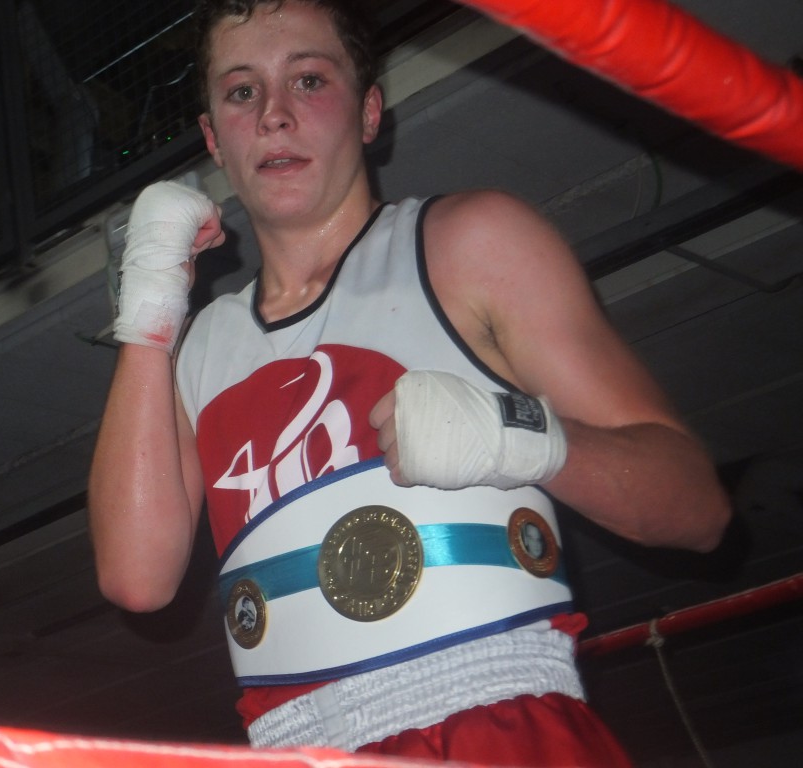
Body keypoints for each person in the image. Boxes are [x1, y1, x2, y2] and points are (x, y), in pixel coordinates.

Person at [88, 0, 732, 764]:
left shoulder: (471, 244)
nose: (274, 117)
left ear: (368, 114)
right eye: (241, 92)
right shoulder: (196, 353)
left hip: (495, 727)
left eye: (309, 79)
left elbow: (699, 510)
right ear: (213, 142)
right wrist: (149, 316)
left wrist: (522, 439)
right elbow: (137, 579)